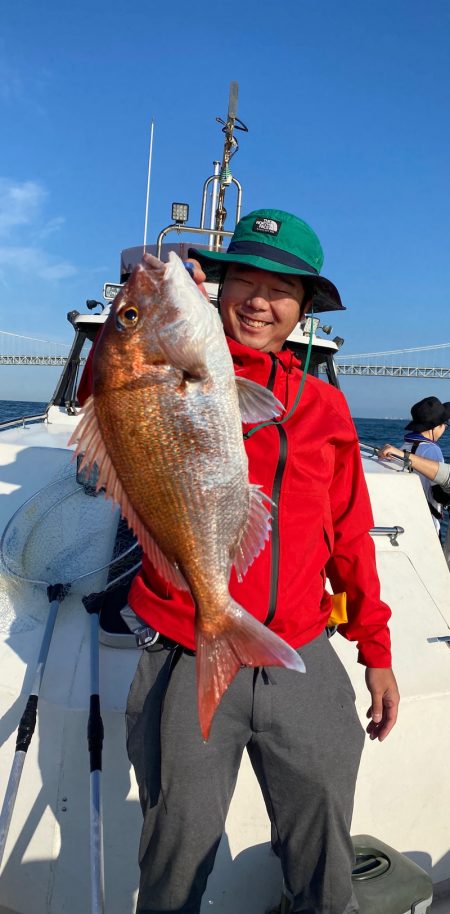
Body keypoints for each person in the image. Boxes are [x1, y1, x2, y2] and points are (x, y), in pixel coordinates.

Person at [78, 209, 399, 914]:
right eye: (243, 282)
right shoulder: (152, 368)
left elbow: (350, 532)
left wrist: (375, 649)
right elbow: (107, 390)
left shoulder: (322, 407)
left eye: (280, 291)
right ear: (216, 291)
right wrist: (141, 311)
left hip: (301, 652)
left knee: (323, 844)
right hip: (184, 649)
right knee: (175, 852)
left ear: (304, 308)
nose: (258, 301)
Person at [396, 397, 450, 535]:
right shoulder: (432, 449)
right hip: (428, 522)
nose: (445, 428)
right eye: (445, 424)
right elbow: (439, 495)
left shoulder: (404, 446)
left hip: (408, 516)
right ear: (435, 426)